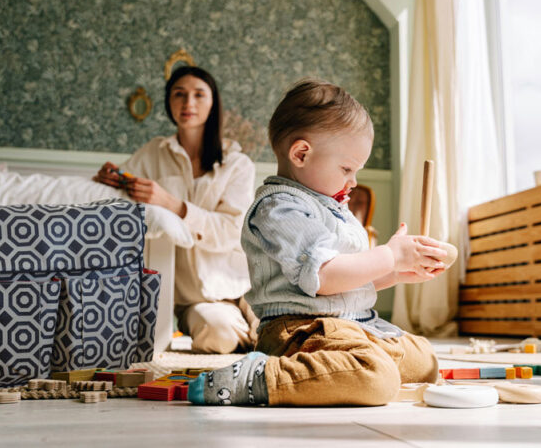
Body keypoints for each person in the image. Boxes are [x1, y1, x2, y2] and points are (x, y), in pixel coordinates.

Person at [187, 78, 456, 406]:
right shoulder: (279, 207)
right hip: (301, 331)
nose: (353, 180)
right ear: (301, 154)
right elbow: (326, 277)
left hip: (349, 325)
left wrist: (399, 271)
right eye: (346, 168)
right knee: (377, 377)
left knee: (424, 361)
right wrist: (388, 255)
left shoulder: (332, 206)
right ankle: (262, 377)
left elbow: (348, 279)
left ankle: (342, 372)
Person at [94, 66, 257, 354]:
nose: (188, 103)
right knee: (217, 337)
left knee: (278, 333)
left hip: (242, 284)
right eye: (179, 94)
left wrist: (173, 204)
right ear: (169, 102)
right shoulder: (154, 153)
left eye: (198, 95)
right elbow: (122, 187)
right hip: (195, 299)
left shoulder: (237, 163)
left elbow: (232, 231)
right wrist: (108, 178)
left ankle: (255, 326)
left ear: (213, 102)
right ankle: (248, 332)